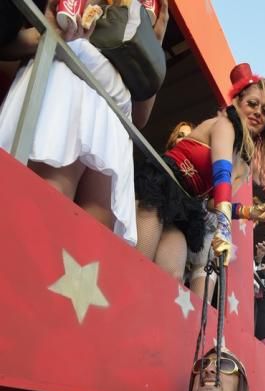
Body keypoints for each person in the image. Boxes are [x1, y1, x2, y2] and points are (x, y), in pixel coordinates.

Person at [0, 0, 169, 245]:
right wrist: (48, 32)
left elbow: (141, 117)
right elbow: (6, 43)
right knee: (43, 211)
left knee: (92, 238)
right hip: (66, 81)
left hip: (113, 119)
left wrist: (154, 44)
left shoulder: (148, 11)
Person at [135, 62, 265, 287]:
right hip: (159, 189)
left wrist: (252, 212)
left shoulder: (243, 164)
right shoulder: (225, 125)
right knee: (137, 261)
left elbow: (215, 202)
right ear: (238, 102)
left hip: (184, 211)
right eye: (252, 104)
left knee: (170, 277)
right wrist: (224, 230)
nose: (257, 113)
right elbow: (221, 175)